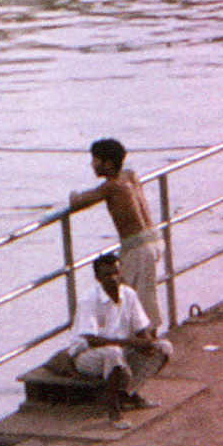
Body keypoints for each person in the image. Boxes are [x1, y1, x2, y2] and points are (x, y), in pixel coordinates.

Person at [47, 251, 167, 428]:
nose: (112, 278)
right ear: (98, 278)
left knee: (163, 347)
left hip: (119, 349)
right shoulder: (89, 300)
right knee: (113, 353)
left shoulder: (129, 294)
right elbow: (92, 340)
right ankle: (114, 413)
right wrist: (133, 343)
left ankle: (129, 393)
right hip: (86, 355)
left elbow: (141, 329)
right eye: (107, 275)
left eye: (115, 273)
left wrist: (147, 343)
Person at [68, 137, 163, 333]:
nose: (92, 165)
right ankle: (144, 339)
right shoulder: (130, 175)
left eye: (95, 160)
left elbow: (78, 201)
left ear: (108, 164)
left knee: (128, 297)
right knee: (144, 294)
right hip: (152, 239)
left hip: (138, 246)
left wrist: (73, 196)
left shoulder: (112, 186)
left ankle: (146, 344)